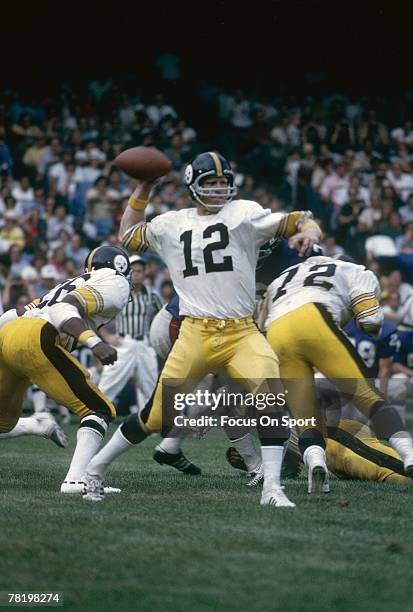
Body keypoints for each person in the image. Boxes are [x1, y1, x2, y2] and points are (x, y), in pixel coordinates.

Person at [83, 151, 321, 507]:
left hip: (242, 332)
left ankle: (273, 488)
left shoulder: (245, 212)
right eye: (211, 182)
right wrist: (144, 188)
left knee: (270, 402)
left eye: (224, 182)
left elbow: (296, 220)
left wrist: (310, 229)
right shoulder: (172, 223)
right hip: (195, 332)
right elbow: (129, 236)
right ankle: (95, 469)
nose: (219, 188)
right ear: (194, 185)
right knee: (156, 416)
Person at [260, 254, 413, 493]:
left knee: (307, 419)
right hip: (313, 318)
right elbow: (371, 322)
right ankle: (409, 454)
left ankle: (315, 465)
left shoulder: (283, 278)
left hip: (276, 334)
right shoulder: (354, 271)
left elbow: (260, 326)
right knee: (367, 396)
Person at [0, 245, 131, 495]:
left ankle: (34, 425)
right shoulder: (115, 282)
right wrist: (95, 342)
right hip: (36, 336)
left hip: (9, 335)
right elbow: (64, 309)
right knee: (98, 409)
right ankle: (75, 481)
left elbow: (12, 314)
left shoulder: (72, 281)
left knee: (2, 423)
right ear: (121, 266)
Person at [98, 254, 162, 412]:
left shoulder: (152, 295)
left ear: (145, 272)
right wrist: (107, 336)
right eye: (133, 271)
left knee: (151, 385)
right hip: (123, 343)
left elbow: (163, 318)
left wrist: (156, 340)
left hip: (145, 344)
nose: (137, 274)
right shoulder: (119, 293)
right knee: (108, 383)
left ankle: (153, 421)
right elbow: (97, 317)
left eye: (140, 271)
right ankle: (94, 414)